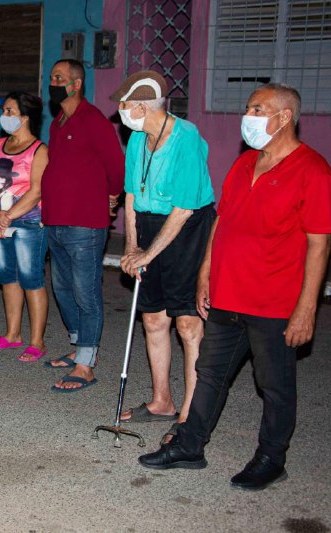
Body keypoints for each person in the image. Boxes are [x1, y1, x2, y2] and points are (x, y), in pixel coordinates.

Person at [139, 84, 331, 491]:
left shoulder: (313, 171)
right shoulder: (245, 164)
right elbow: (221, 221)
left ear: (283, 117)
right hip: (228, 293)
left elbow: (320, 245)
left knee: (274, 385)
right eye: (248, 107)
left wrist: (307, 308)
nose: (248, 116)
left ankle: (270, 458)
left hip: (274, 301)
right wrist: (205, 274)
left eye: (258, 109)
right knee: (209, 372)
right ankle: (190, 445)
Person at [110, 71, 216, 446]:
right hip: (153, 224)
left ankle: (189, 413)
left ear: (140, 106)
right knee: (153, 317)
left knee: (187, 323)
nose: (120, 112)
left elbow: (185, 208)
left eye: (123, 105)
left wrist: (147, 253)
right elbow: (132, 197)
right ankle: (161, 401)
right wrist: (131, 248)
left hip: (187, 226)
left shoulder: (185, 138)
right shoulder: (137, 139)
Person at [41, 59, 124, 391]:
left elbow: (115, 164)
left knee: (85, 292)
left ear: (76, 84)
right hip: (56, 220)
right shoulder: (59, 121)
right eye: (51, 77)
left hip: (85, 223)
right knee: (62, 289)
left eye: (59, 78)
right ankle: (80, 348)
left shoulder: (93, 120)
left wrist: (113, 195)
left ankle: (86, 364)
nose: (53, 82)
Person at [0, 92, 49, 362]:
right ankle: (12, 334)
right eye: (4, 111)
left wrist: (7, 215)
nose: (4, 116)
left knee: (32, 280)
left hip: (28, 222)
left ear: (25, 117)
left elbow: (37, 190)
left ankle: (37, 341)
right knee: (8, 278)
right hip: (0, 220)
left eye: (9, 111)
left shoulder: (39, 150)